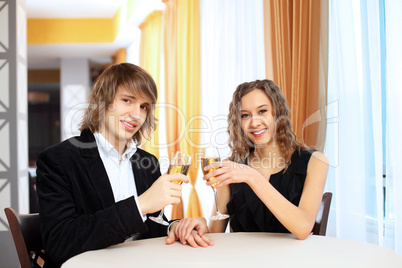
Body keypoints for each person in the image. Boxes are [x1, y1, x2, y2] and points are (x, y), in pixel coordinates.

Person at [36, 63, 188, 267]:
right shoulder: (58, 160)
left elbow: (154, 227)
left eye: (144, 106)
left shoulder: (148, 162)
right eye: (127, 100)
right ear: (103, 101)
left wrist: (176, 227)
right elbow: (61, 242)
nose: (137, 115)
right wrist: (140, 205)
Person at [168, 79, 329, 247]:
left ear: (278, 112)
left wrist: (252, 177)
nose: (254, 122)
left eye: (262, 111)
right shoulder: (231, 167)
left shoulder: (315, 162)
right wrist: (201, 226)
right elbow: (215, 234)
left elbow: (303, 228)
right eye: (245, 115)